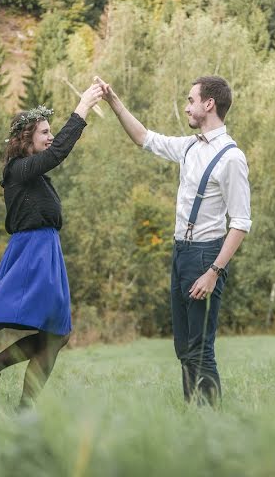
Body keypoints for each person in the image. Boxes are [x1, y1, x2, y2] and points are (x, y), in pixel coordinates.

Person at [95, 75, 251, 406]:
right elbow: (144, 138)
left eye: (190, 100)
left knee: (201, 348)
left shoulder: (231, 157)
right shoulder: (190, 146)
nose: (186, 106)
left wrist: (213, 271)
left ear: (209, 104)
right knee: (183, 347)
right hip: (181, 252)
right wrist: (114, 101)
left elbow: (240, 223)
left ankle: (211, 426)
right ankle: (193, 416)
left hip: (206, 256)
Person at [0, 84, 104, 407]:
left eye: (51, 130)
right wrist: (82, 108)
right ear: (26, 139)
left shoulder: (35, 177)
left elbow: (52, 157)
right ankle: (9, 395)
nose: (50, 136)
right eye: (44, 131)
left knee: (58, 334)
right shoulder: (18, 171)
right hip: (34, 254)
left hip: (47, 253)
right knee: (57, 333)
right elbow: (57, 154)